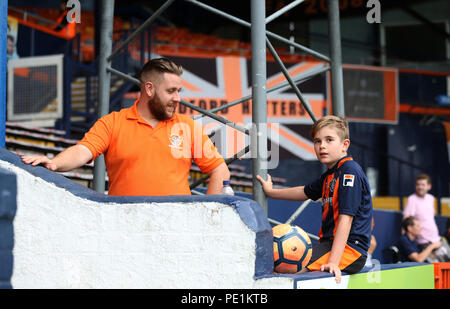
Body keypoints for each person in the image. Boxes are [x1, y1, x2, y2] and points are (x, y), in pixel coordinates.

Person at [22, 57, 230, 196]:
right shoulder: (113, 122)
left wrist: (206, 215)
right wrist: (55, 163)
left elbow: (220, 170)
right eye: (171, 91)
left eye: (179, 91)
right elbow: (82, 151)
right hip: (124, 230)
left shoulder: (188, 127)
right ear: (149, 89)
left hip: (174, 233)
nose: (177, 98)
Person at [257, 115, 373, 283]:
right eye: (317, 141)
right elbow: (304, 191)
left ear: (344, 145)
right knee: (278, 262)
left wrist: (334, 262)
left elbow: (346, 220)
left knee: (289, 268)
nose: (322, 146)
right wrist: (271, 191)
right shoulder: (329, 175)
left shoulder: (350, 171)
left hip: (350, 250)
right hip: (329, 245)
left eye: (329, 140)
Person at [403, 174, 441, 250]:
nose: (420, 187)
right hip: (423, 242)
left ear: (429, 186)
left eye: (423, 185)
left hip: (436, 239)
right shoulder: (412, 199)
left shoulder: (431, 198)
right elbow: (406, 221)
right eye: (418, 185)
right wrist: (407, 242)